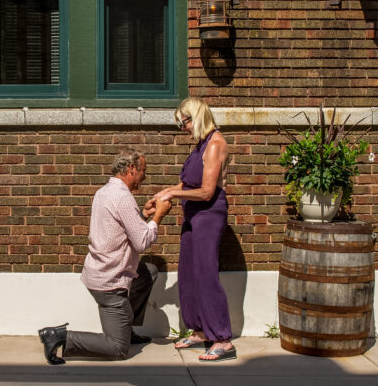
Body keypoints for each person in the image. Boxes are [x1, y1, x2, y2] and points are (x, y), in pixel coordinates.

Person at [38, 148, 172, 364]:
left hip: (97, 271)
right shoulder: (123, 197)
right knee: (118, 348)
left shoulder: (104, 192)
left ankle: (126, 329)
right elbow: (142, 242)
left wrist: (143, 215)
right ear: (131, 169)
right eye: (143, 171)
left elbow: (118, 225)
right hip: (109, 282)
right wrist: (158, 216)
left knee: (148, 273)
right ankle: (59, 336)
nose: (144, 176)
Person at [152, 97, 236, 362]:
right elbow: (185, 185)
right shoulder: (200, 146)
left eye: (184, 122)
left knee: (206, 273)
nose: (182, 128)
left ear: (196, 117)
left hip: (209, 214)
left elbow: (207, 191)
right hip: (192, 213)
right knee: (188, 273)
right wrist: (162, 195)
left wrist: (174, 195)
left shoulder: (215, 144)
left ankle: (222, 339)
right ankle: (200, 331)